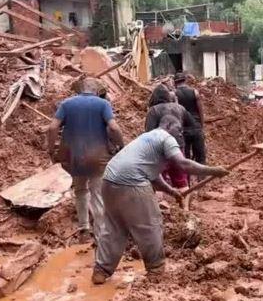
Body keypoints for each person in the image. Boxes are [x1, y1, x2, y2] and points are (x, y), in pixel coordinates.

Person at [92, 118, 229, 284]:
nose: (180, 135)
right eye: (179, 130)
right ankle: (156, 269)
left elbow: (153, 176)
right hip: (132, 182)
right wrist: (213, 171)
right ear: (168, 125)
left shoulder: (147, 138)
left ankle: (101, 270)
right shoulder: (166, 137)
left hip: (108, 181)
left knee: (114, 227)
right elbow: (183, 164)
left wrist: (171, 191)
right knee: (150, 224)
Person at [47, 78, 125, 241]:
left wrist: (51, 150)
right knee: (97, 193)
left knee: (80, 190)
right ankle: (100, 235)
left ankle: (83, 228)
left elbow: (53, 127)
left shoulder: (66, 104)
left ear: (79, 90)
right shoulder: (103, 104)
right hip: (98, 156)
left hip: (73, 156)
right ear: (96, 90)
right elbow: (113, 127)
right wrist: (121, 145)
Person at [145, 85, 198, 189]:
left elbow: (149, 133)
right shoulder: (180, 108)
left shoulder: (153, 110)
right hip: (177, 147)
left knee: (160, 183)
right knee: (181, 180)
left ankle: (161, 198)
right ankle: (184, 198)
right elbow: (192, 125)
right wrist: (180, 133)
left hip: (160, 149)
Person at [173, 72, 207, 165]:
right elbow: (200, 111)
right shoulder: (194, 92)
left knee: (185, 158)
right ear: (185, 80)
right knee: (200, 157)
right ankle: (202, 174)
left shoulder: (174, 94)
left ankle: (187, 175)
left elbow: (175, 112)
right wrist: (201, 126)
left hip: (183, 129)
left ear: (175, 82)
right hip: (196, 126)